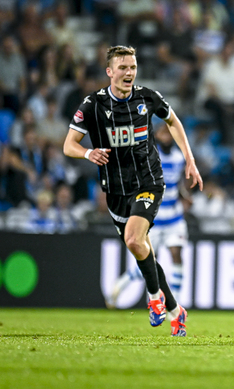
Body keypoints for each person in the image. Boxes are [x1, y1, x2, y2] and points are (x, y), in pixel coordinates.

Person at [63, 45, 202, 337]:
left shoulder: (147, 97)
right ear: (109, 72)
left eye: (133, 67)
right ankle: (176, 310)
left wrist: (190, 159)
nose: (129, 73)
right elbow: (69, 145)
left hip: (148, 182)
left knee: (134, 239)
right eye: (123, 68)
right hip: (115, 191)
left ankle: (154, 298)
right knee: (141, 249)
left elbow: (173, 121)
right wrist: (88, 154)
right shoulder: (92, 106)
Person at [105, 123, 191, 308]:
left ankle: (174, 301)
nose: (167, 137)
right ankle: (122, 282)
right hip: (155, 218)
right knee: (149, 261)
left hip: (175, 218)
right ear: (156, 136)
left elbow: (176, 184)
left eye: (169, 134)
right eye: (163, 133)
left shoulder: (178, 158)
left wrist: (185, 196)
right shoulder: (150, 157)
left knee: (177, 254)